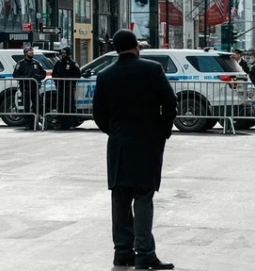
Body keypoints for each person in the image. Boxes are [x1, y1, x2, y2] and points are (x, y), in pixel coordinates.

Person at [93, 30, 177, 270]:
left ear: (116, 48)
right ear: (136, 46)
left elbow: (98, 113)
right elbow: (170, 102)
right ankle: (145, 254)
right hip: (148, 142)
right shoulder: (152, 69)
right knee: (143, 196)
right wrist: (163, 131)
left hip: (119, 144)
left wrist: (113, 131)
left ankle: (122, 253)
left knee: (120, 197)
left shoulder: (105, 75)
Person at [13, 46, 47, 130]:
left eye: (32, 51)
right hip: (25, 88)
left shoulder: (36, 63)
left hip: (35, 88)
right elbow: (15, 75)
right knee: (27, 106)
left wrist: (38, 77)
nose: (32, 52)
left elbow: (43, 73)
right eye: (29, 51)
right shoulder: (21, 64)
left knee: (37, 106)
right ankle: (28, 123)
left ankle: (35, 122)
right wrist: (25, 77)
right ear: (25, 53)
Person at [51, 46, 81, 130]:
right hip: (60, 87)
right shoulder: (58, 63)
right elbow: (54, 74)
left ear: (68, 53)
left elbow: (77, 75)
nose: (63, 54)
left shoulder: (72, 63)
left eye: (64, 53)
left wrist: (68, 80)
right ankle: (60, 123)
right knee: (60, 105)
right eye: (62, 53)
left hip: (69, 88)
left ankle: (70, 123)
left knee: (69, 105)